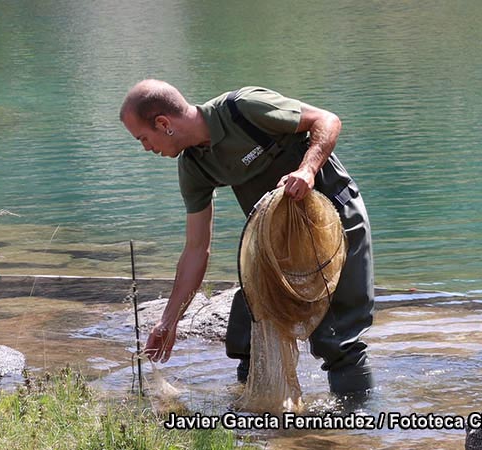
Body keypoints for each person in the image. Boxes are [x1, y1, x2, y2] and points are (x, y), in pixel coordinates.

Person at [119, 79, 374, 397]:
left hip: (336, 219)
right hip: (279, 243)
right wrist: (168, 322)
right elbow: (197, 250)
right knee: (247, 333)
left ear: (163, 123)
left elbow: (327, 120)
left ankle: (354, 429)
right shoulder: (194, 167)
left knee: (337, 339)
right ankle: (252, 421)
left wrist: (307, 170)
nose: (146, 148)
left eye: (143, 138)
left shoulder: (244, 109)